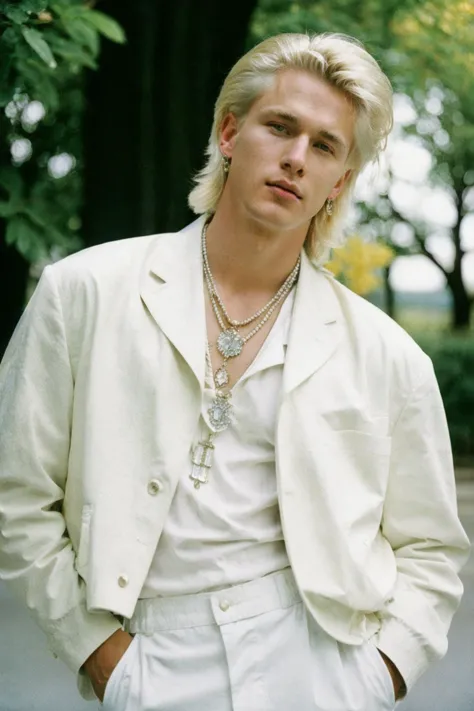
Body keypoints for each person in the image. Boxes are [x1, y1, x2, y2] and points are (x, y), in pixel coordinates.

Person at [0, 32, 470, 711]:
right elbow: (18, 495)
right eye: (280, 127)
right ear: (229, 132)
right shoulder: (84, 292)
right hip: (151, 651)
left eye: (325, 145)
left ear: (339, 180)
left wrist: (378, 676)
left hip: (322, 662)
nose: (296, 158)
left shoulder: (390, 357)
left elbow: (431, 547)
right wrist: (100, 652)